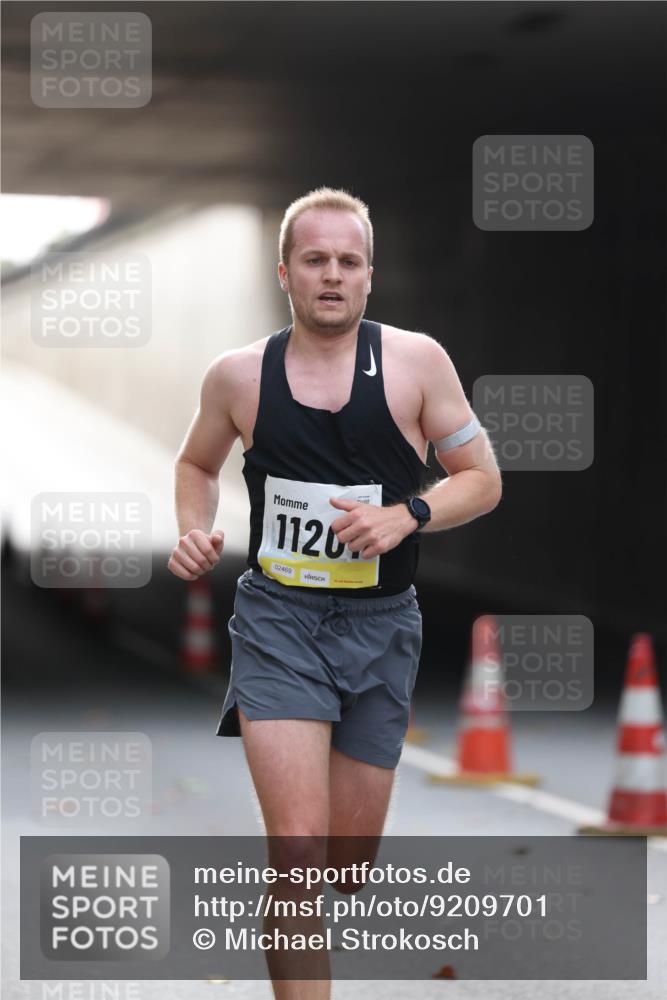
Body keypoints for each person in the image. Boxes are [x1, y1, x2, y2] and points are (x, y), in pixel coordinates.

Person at [169, 187, 502, 998]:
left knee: (343, 869)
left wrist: (407, 515)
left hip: (381, 627)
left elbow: (482, 479)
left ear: (368, 276)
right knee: (297, 852)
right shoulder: (239, 375)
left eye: (347, 262)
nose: (332, 275)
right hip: (278, 621)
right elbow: (195, 465)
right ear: (285, 271)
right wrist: (193, 527)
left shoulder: (418, 363)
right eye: (315, 260)